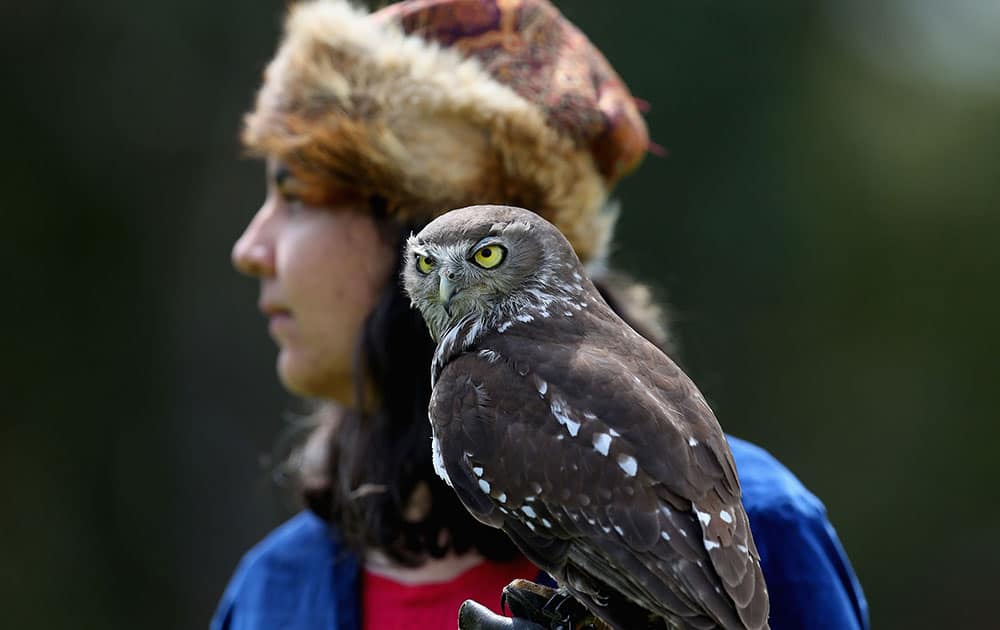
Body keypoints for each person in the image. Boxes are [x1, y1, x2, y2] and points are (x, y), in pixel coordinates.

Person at [213, 1, 869, 629]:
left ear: (419, 206)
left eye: (294, 195)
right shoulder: (276, 587)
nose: (251, 249)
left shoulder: (760, 520)